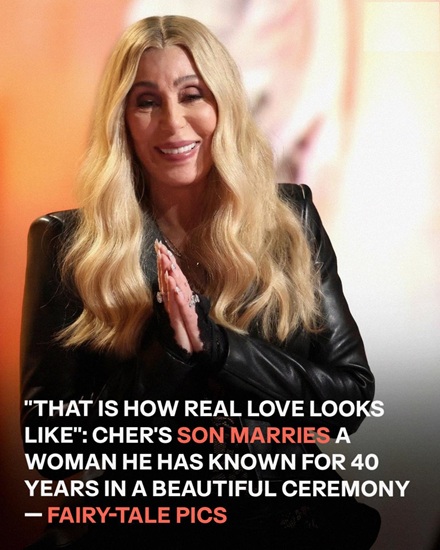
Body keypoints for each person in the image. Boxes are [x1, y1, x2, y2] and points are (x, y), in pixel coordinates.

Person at [21, 15, 380, 549]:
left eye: (193, 95)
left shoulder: (292, 219)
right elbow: (50, 448)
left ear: (223, 105)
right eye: (146, 101)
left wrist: (220, 349)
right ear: (121, 119)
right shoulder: (65, 242)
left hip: (281, 526)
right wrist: (168, 356)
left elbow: (348, 400)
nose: (173, 122)